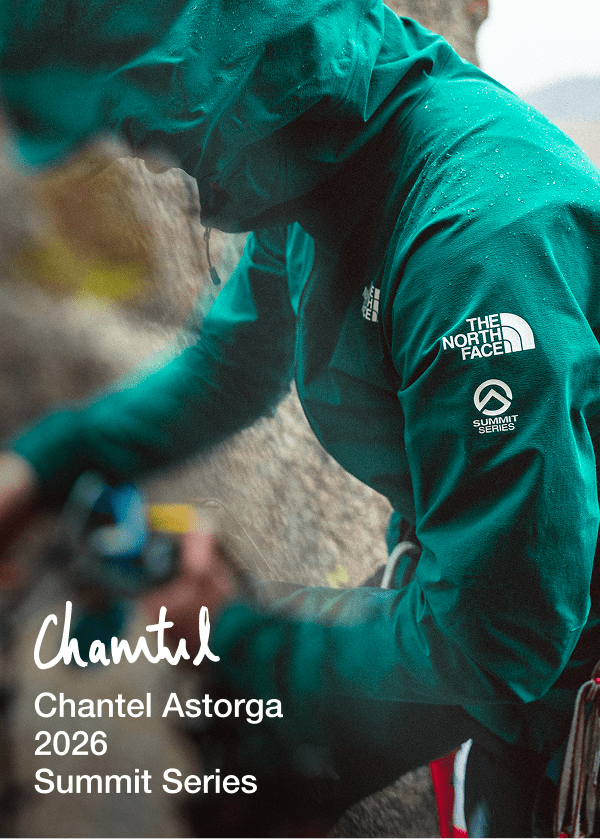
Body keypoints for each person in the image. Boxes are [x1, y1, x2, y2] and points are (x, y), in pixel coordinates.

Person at [1, 0, 600, 835]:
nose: (140, 151)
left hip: (546, 658)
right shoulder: (319, 157)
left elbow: (498, 639)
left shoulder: (474, 247)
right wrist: (39, 466)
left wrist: (234, 637)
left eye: (152, 117)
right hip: (479, 601)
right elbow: (227, 370)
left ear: (230, 72)